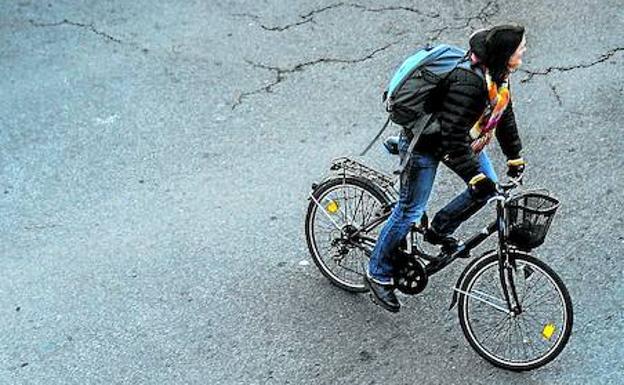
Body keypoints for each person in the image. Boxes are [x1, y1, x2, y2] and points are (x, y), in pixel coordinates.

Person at [365, 24, 528, 313]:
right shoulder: (470, 83)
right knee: (410, 210)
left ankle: (438, 230)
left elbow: (504, 115)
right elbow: (451, 137)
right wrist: (474, 176)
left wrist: (514, 156)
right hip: (427, 145)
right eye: (519, 47)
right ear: (505, 54)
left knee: (485, 191)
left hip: (461, 140)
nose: (524, 50)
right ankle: (377, 271)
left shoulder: (498, 77)